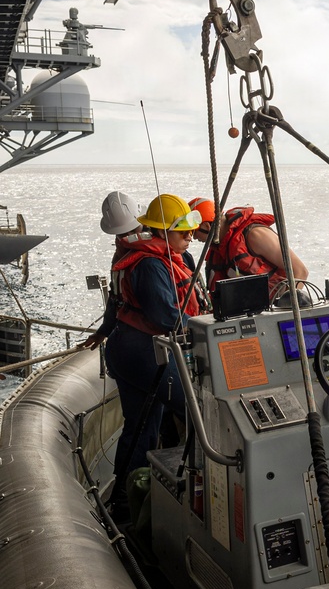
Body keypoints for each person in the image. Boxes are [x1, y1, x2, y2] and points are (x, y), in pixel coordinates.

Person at [105, 194, 202, 517]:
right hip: (146, 353)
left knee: (142, 425)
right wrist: (208, 327)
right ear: (162, 232)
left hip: (126, 348)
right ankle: (191, 486)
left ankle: (124, 499)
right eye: (182, 232)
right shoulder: (151, 264)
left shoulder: (158, 257)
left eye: (191, 231)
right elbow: (165, 317)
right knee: (196, 411)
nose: (190, 237)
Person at [188, 197, 309, 303]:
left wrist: (284, 308)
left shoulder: (254, 235)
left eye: (194, 232)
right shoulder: (221, 249)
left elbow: (300, 271)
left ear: (206, 226)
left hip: (272, 311)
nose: (194, 238)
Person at [82, 191, 146, 351]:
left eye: (133, 230)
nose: (129, 236)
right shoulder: (120, 258)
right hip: (133, 333)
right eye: (123, 233)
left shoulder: (160, 254)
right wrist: (103, 331)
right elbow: (115, 294)